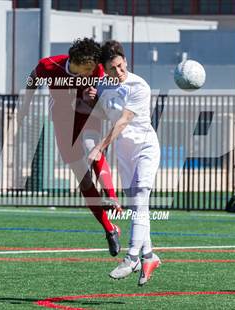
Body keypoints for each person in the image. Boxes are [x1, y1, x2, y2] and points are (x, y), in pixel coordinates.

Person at [22, 38, 121, 256]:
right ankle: (109, 230)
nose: (92, 71)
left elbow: (103, 95)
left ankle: (111, 195)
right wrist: (25, 104)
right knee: (83, 179)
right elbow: (32, 78)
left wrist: (95, 97)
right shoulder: (49, 65)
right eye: (88, 68)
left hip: (87, 115)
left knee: (92, 149)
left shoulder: (96, 70)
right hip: (63, 121)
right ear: (76, 62)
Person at [84, 40, 161, 286]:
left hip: (145, 148)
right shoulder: (104, 84)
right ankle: (149, 256)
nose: (118, 72)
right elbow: (100, 111)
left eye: (120, 65)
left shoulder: (140, 86)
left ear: (125, 60)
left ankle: (132, 258)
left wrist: (100, 146)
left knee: (139, 200)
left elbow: (123, 121)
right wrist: (90, 98)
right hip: (125, 154)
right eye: (112, 69)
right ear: (104, 70)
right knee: (138, 206)